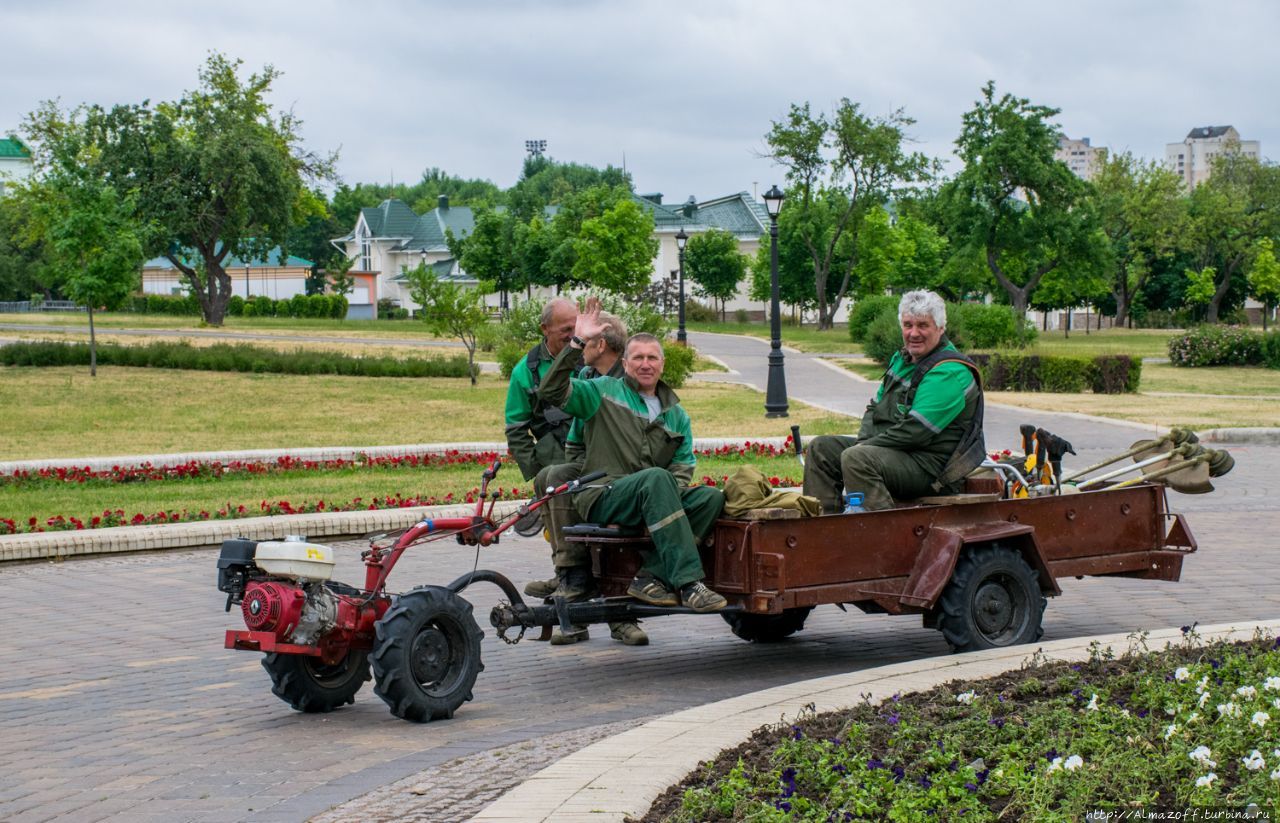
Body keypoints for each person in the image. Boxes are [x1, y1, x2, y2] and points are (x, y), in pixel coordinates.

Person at [538, 299, 728, 613]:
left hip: (651, 499)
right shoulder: (601, 391)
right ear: (625, 364)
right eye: (637, 357)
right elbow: (552, 392)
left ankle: (650, 577)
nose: (645, 364)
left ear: (662, 365)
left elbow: (682, 468)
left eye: (652, 358)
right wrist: (577, 342)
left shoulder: (676, 415)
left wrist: (661, 509)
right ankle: (689, 583)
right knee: (655, 478)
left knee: (710, 498)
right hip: (605, 495)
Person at [524, 311, 649, 646]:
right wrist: (581, 470)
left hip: (630, 476)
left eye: (583, 339)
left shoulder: (631, 381)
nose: (575, 343)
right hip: (598, 467)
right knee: (552, 478)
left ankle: (615, 615)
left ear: (601, 343)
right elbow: (577, 437)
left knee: (576, 487)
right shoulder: (590, 375)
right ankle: (570, 573)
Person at [802, 290, 986, 513]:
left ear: (940, 327)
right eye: (908, 325)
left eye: (923, 325)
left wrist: (862, 449)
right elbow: (874, 410)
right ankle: (823, 528)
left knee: (857, 458)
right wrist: (863, 441)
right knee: (821, 448)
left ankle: (878, 537)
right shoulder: (902, 359)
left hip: (932, 469)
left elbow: (914, 431)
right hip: (897, 454)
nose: (914, 333)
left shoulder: (949, 371)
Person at [504, 298, 579, 483]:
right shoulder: (524, 372)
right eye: (566, 330)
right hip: (556, 463)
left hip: (594, 456)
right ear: (545, 329)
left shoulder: (590, 356)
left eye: (576, 328)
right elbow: (515, 429)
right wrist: (539, 473)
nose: (573, 336)